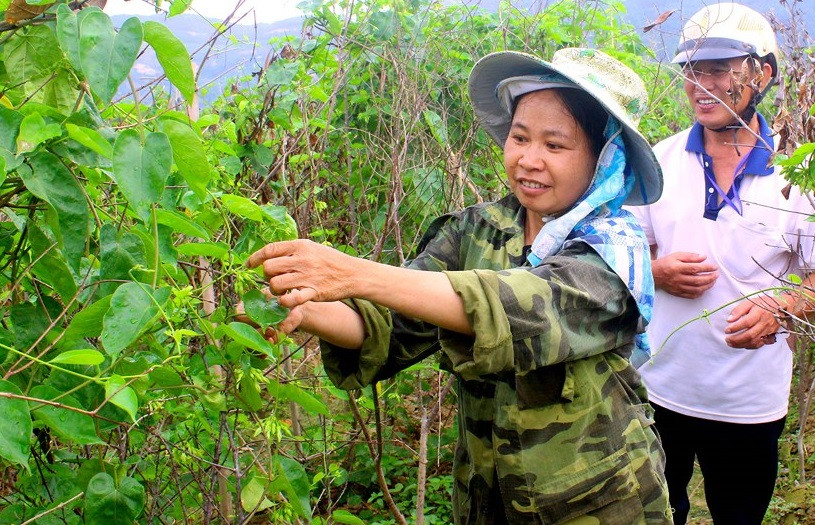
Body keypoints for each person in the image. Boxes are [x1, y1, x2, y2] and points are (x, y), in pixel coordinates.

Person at [248, 48, 671, 523]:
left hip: (595, 501)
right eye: (519, 138)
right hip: (486, 494)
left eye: (555, 146)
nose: (529, 160)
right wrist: (304, 306)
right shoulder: (477, 229)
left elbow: (521, 310)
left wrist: (352, 272)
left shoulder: (614, 252)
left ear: (603, 160)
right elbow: (394, 323)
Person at [626, 4, 815, 524]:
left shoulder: (795, 173)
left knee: (740, 513)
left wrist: (784, 306)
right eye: (691, 69)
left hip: (749, 403)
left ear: (762, 74)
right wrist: (655, 271)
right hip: (658, 389)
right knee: (661, 513)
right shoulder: (658, 162)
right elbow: (625, 248)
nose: (699, 83)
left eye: (719, 68)